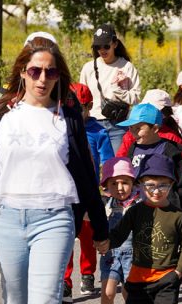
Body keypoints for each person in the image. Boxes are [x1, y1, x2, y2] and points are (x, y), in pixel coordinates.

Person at [0, 35, 110, 303]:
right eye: (35, 71)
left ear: (59, 76)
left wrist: (99, 226)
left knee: (46, 298)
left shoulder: (67, 117)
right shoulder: (2, 114)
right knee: (15, 298)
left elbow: (84, 174)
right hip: (8, 219)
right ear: (23, 72)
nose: (42, 79)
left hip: (55, 219)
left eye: (51, 71)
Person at [108, 155, 182, 304]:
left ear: (171, 184)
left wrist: (179, 272)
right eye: (150, 185)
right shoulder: (134, 212)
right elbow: (118, 235)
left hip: (167, 278)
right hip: (138, 278)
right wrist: (102, 241)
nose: (156, 191)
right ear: (140, 184)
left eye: (163, 185)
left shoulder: (178, 216)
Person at [64, 83, 112, 299]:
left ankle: (87, 273)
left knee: (87, 236)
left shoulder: (98, 131)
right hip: (66, 192)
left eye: (79, 106)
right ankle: (64, 280)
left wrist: (108, 185)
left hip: (89, 193)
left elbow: (108, 161)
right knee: (65, 238)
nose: (74, 110)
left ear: (89, 106)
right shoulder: (61, 125)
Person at [118, 103, 182, 213]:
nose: (133, 132)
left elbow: (180, 183)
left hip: (164, 207)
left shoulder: (170, 150)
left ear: (155, 128)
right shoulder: (133, 148)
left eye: (138, 128)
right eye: (131, 127)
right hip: (138, 206)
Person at [80, 24, 142, 153]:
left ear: (115, 44)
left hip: (118, 125)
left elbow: (135, 99)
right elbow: (82, 96)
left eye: (106, 46)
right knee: (92, 169)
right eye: (98, 47)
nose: (102, 50)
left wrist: (119, 90)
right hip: (92, 124)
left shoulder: (127, 67)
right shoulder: (88, 68)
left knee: (118, 167)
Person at [118, 89, 182, 180]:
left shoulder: (171, 137)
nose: (150, 112)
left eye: (155, 110)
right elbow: (121, 158)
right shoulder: (132, 135)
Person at [99, 157, 141, 304]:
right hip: (110, 255)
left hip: (133, 256)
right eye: (114, 183)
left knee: (129, 293)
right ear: (106, 185)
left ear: (133, 183)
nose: (120, 188)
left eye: (125, 182)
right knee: (107, 293)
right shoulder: (106, 205)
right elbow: (91, 219)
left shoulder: (139, 204)